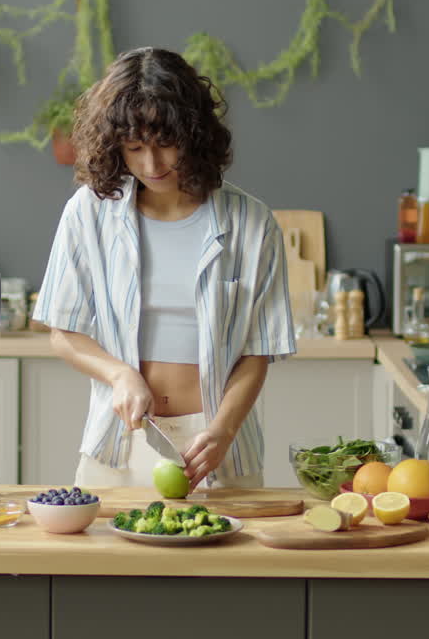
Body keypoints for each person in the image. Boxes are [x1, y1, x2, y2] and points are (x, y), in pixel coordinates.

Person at [32, 46, 295, 490]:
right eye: (134, 148)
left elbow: (258, 350)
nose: (151, 166)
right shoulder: (89, 213)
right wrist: (120, 375)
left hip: (219, 448)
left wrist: (225, 429)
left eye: (165, 145)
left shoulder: (251, 223)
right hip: (119, 442)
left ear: (194, 134)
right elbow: (63, 331)